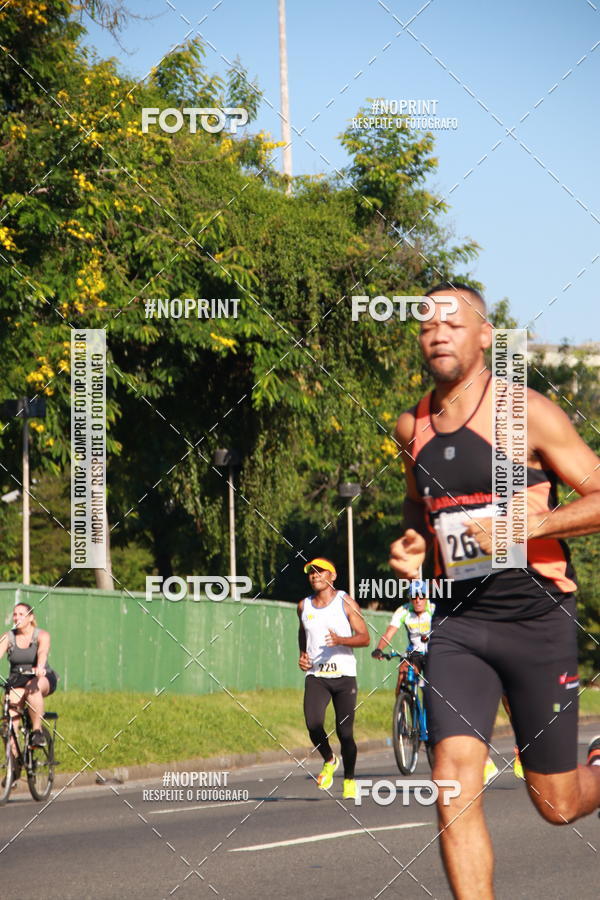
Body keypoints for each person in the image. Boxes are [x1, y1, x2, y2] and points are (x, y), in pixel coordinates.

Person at [389, 283, 600, 899]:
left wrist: (531, 523)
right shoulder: (412, 426)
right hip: (460, 627)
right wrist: (412, 543)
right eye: (427, 325)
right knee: (452, 781)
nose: (438, 334)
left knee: (557, 804)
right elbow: (415, 507)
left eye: (453, 324)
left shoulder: (527, 411)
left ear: (485, 336)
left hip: (537, 619)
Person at [298, 557, 370, 800]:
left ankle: (349, 778)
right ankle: (330, 759)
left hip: (344, 676)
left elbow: (364, 637)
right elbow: (302, 632)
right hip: (317, 675)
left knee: (345, 732)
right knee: (313, 723)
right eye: (311, 572)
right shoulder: (303, 606)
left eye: (320, 571)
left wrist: (341, 640)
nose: (315, 575)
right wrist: (303, 655)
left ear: (333, 576)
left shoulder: (345, 602)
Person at [0, 602, 58, 749]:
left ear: (30, 617)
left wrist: (39, 666)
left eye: (21, 614)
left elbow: (42, 652)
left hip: (40, 677)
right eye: (15, 614)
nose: (17, 617)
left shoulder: (41, 635)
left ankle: (37, 732)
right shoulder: (8, 637)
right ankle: (13, 760)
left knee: (32, 690)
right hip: (18, 679)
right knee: (10, 702)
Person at [371, 591, 434, 694]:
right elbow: (389, 634)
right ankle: (401, 707)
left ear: (426, 598)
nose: (418, 600)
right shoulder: (404, 610)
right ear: (409, 598)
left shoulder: (433, 608)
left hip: (432, 651)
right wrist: (379, 649)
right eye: (414, 597)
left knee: (435, 686)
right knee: (402, 673)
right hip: (414, 652)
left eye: (421, 597)